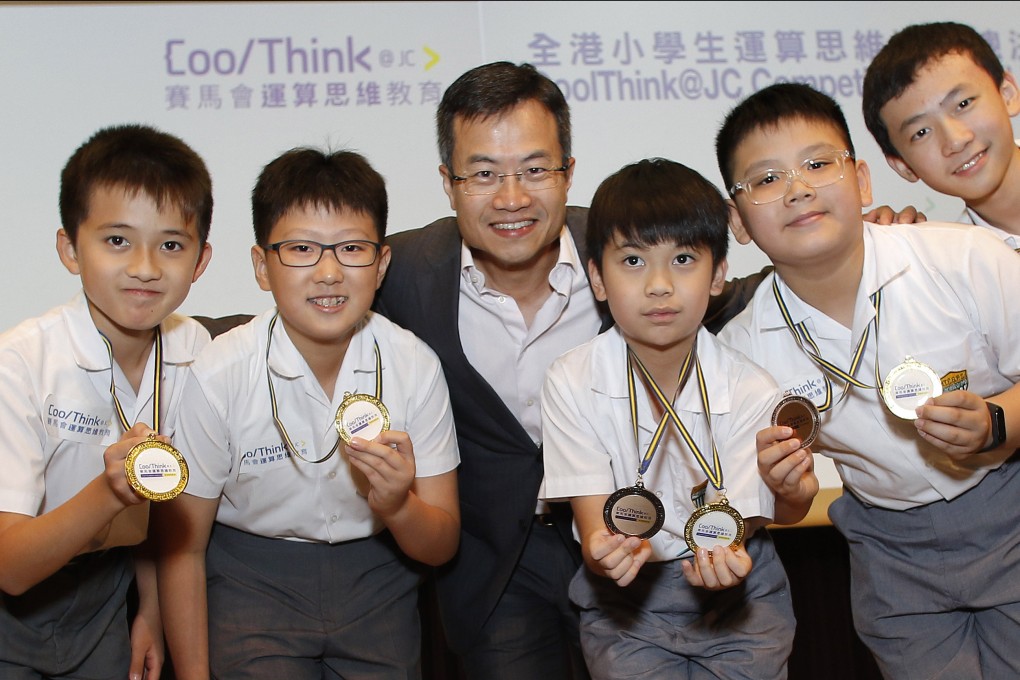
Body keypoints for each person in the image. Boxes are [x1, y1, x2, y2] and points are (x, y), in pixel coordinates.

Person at [375, 60, 919, 680]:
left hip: (670, 551)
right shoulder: (405, 270)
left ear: (567, 171)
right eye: (483, 173)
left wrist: (856, 246)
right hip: (501, 560)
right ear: (448, 182)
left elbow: (737, 289)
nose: (512, 197)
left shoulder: (627, 241)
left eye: (534, 169)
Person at [716, 81, 1020, 679]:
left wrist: (997, 420)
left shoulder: (966, 258)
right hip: (890, 554)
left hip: (1009, 508)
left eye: (817, 164)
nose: (798, 188)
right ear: (738, 220)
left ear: (861, 181)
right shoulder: (740, 354)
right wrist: (786, 491)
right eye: (767, 179)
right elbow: (780, 507)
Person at [151, 147, 461, 679]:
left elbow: (441, 545)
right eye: (301, 249)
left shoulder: (415, 365)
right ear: (261, 266)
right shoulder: (219, 372)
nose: (329, 272)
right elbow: (182, 548)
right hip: (250, 579)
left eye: (352, 248)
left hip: (379, 579)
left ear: (382, 264)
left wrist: (397, 505)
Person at [540, 158, 816, 679]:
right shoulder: (570, 380)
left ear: (718, 276)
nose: (660, 284)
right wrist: (603, 553)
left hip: (741, 597)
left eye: (684, 258)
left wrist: (729, 553)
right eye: (633, 261)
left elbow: (742, 524)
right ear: (597, 278)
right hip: (625, 605)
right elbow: (595, 528)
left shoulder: (751, 387)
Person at [0, 123, 213, 679]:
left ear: (201, 261)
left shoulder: (195, 348)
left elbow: (166, 514)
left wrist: (151, 611)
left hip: (107, 597)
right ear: (70, 249)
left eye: (171, 245)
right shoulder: (20, 361)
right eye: (117, 240)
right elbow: (10, 568)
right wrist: (112, 489)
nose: (145, 267)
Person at [862, 21, 1020, 249]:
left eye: (963, 104)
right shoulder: (952, 262)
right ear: (903, 166)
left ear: (1007, 95)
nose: (955, 140)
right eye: (921, 132)